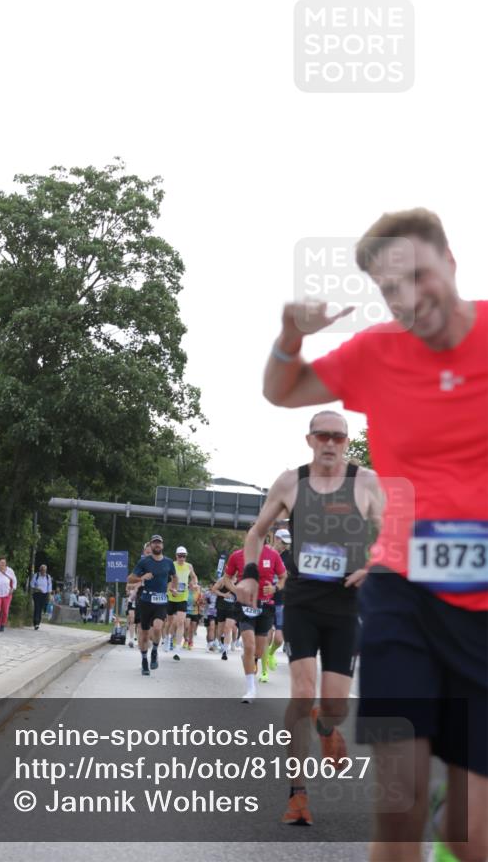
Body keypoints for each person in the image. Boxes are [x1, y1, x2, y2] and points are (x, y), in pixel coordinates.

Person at [238, 209, 487, 862]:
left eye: (415, 277)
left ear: (450, 261)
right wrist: (289, 336)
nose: (406, 300)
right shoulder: (377, 354)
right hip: (400, 591)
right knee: (397, 807)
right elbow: (280, 389)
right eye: (388, 290)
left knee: (472, 841)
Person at [237, 411, 382, 822]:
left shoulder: (366, 482)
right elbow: (256, 532)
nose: (331, 443)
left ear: (347, 441)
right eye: (323, 435)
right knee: (302, 693)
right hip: (301, 600)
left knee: (336, 706)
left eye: (339, 436)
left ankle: (326, 726)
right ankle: (297, 794)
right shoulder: (290, 482)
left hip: (345, 603)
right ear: (310, 439)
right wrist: (249, 573)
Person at [220, 541, 286, 702]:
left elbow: (284, 577)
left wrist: (275, 588)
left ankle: (252, 659)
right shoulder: (237, 555)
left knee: (257, 651)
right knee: (249, 646)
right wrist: (236, 590)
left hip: (265, 607)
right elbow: (227, 578)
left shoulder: (273, 555)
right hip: (245, 606)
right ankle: (250, 689)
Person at [127, 534, 177, 676]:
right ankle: (144, 661)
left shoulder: (168, 562)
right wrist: (142, 577)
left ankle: (154, 650)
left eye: (159, 543)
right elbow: (130, 578)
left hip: (161, 601)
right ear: (151, 545)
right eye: (154, 543)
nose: (157, 545)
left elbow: (174, 576)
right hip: (145, 601)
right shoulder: (144, 562)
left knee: (157, 627)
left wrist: (173, 587)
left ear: (162, 545)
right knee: (143, 635)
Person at [265, 524, 294, 671]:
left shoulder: (290, 556)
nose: (284, 546)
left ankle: (271, 653)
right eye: (282, 543)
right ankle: (264, 670)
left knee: (279, 638)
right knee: (267, 635)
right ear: (275, 539)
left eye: (287, 544)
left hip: (282, 599)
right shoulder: (266, 553)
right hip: (266, 597)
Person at [163, 546, 197, 660]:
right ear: (176, 556)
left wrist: (193, 583)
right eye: (180, 556)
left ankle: (177, 649)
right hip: (172, 597)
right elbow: (166, 579)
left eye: (184, 556)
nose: (182, 558)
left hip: (183, 597)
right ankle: (167, 639)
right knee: (169, 622)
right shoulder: (171, 564)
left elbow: (194, 577)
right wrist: (171, 589)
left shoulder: (189, 566)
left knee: (181, 622)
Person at [30, 564, 52, 630]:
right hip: (37, 594)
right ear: (40, 570)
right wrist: (37, 588)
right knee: (37, 607)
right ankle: (36, 623)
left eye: (44, 570)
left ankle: (38, 622)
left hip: (44, 595)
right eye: (42, 570)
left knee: (41, 608)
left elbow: (49, 586)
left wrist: (49, 595)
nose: (43, 571)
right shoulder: (36, 575)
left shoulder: (48, 577)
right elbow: (32, 584)